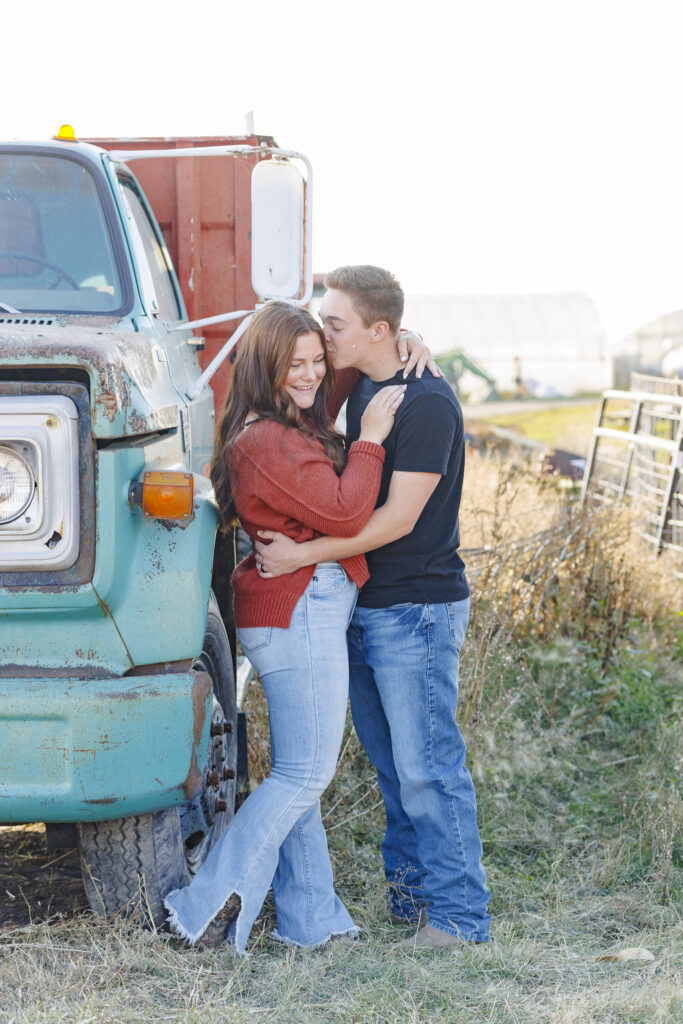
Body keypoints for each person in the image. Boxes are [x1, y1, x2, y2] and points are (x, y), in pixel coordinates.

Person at [164, 300, 427, 954]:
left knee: (299, 775)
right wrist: (368, 438)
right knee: (304, 776)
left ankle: (313, 921)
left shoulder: (285, 418)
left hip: (296, 607)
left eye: (316, 359)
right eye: (296, 365)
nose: (311, 375)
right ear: (266, 366)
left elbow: (337, 370)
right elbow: (343, 512)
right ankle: (203, 907)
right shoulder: (265, 440)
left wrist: (398, 339)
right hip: (297, 611)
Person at [255, 266, 492, 948]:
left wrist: (303, 557)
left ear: (376, 330)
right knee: (394, 765)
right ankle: (413, 902)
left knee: (428, 767)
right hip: (368, 603)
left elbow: (395, 519)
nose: (324, 334)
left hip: (414, 608)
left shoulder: (426, 405)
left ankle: (458, 919)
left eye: (334, 324)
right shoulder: (366, 383)